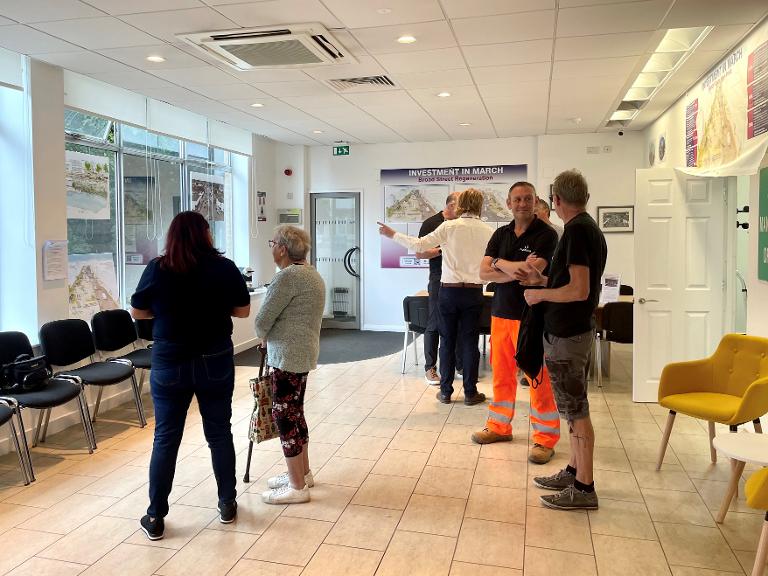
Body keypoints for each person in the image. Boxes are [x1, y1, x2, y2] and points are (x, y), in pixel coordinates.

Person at [131, 211, 251, 540]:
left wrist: (168, 310)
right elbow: (243, 310)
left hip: (170, 360)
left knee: (166, 439)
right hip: (214, 358)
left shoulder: (159, 267)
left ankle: (155, 517)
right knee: (219, 433)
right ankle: (227, 503)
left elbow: (138, 310)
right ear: (205, 235)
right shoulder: (224, 267)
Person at [516, 169, 607, 510]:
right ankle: (574, 470)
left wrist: (540, 296)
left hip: (568, 336)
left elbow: (579, 290)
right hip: (571, 332)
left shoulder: (577, 232)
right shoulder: (585, 229)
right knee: (572, 410)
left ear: (555, 201)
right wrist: (543, 280)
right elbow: (571, 281)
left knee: (576, 411)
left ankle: (584, 488)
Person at [472, 182, 561, 465]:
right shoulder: (501, 233)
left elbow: (532, 273)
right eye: (517, 199)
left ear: (535, 202)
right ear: (508, 204)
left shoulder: (546, 235)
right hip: (501, 315)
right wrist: (507, 264)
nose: (522, 204)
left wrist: (501, 266)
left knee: (538, 378)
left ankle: (545, 439)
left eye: (528, 199)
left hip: (533, 318)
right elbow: (483, 271)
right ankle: (499, 427)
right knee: (501, 375)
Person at [379, 188, 493, 406]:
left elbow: (419, 245)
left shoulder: (449, 226)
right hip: (473, 292)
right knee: (470, 342)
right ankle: (470, 392)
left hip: (448, 292)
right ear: (480, 206)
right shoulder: (488, 230)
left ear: (460, 206)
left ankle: (446, 392)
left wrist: (392, 234)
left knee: (447, 340)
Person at [256, 225, 325, 505]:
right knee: (295, 413)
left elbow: (261, 322)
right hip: (302, 353)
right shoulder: (311, 273)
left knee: (285, 417)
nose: (271, 247)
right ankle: (302, 473)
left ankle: (297, 486)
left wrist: (266, 334)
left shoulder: (287, 278)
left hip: (286, 356)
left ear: (283, 249)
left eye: (272, 242)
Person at [417, 192, 462, 385]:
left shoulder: (461, 225)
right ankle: (430, 368)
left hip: (459, 278)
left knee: (458, 323)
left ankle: (459, 364)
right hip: (438, 278)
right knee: (434, 322)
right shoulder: (430, 223)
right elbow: (420, 254)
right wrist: (443, 249)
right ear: (451, 206)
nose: (464, 212)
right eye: (461, 208)